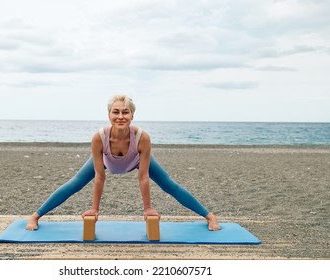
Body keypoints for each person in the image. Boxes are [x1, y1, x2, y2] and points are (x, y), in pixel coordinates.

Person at [26, 95, 220, 231]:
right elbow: (100, 177)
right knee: (75, 183)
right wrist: (95, 209)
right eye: (116, 112)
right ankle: (36, 215)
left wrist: (147, 209)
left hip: (135, 159)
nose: (120, 116)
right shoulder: (99, 138)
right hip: (105, 160)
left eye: (125, 112)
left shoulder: (142, 137)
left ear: (132, 115)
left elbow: (143, 177)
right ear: (109, 115)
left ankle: (208, 215)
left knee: (169, 184)